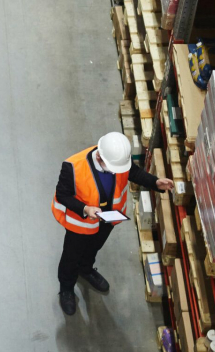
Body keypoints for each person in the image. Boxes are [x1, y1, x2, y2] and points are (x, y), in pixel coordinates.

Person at [52, 132, 174, 315]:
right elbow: (63, 195)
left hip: (107, 219)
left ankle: (86, 270)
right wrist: (85, 209)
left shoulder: (118, 159)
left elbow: (133, 172)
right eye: (112, 169)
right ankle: (66, 289)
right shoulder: (73, 167)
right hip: (81, 224)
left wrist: (155, 182)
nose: (116, 172)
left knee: (94, 248)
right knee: (71, 257)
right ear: (100, 156)